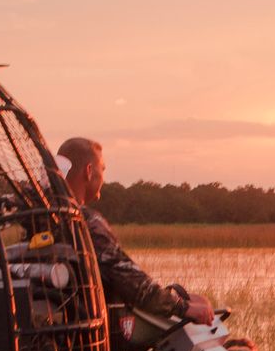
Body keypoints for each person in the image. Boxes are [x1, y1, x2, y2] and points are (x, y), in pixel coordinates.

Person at [58, 137, 214, 325]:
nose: (103, 177)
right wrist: (183, 307)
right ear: (89, 171)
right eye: (103, 169)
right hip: (96, 330)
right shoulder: (85, 221)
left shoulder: (42, 219)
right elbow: (132, 282)